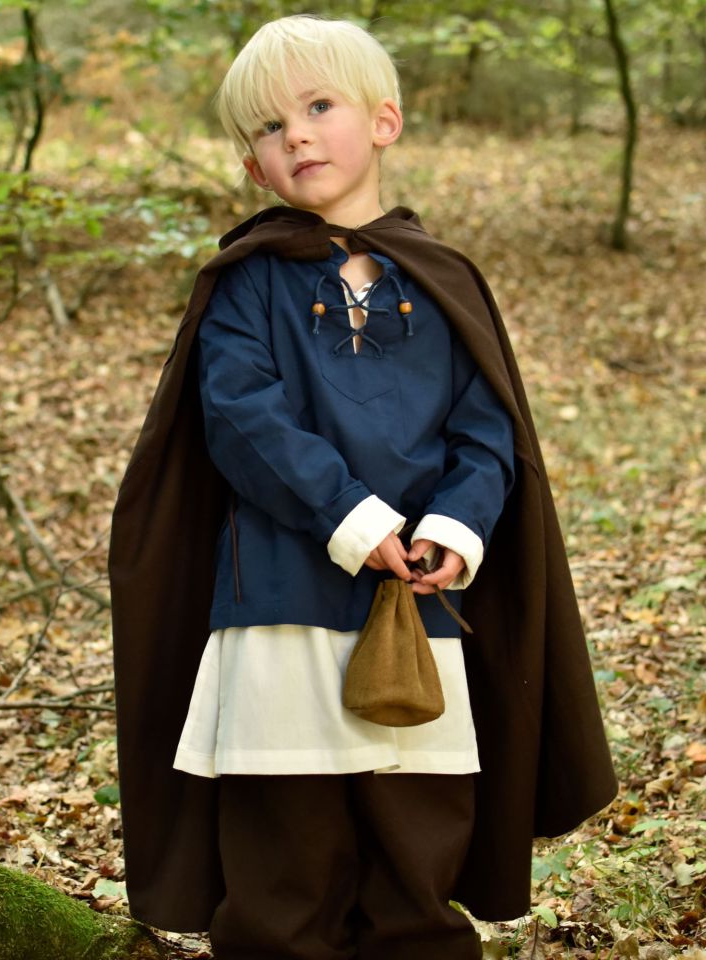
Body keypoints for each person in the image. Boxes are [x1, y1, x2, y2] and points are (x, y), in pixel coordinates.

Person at [108, 14, 617, 960]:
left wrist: (456, 530)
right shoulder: (247, 282)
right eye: (267, 127)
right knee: (283, 873)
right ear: (254, 168)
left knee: (416, 861)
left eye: (317, 106)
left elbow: (488, 429)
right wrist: (352, 514)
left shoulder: (444, 277)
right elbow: (242, 421)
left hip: (416, 617)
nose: (294, 134)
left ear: (382, 122)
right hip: (278, 611)